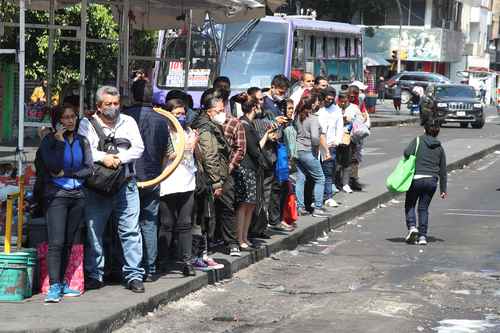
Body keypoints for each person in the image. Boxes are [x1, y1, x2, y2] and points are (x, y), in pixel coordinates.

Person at [79, 86, 146, 293]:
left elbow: (138, 148)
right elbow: (85, 148)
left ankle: (134, 275)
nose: (113, 107)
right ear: (99, 106)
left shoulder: (129, 122)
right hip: (97, 187)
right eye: (108, 104)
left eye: (116, 103)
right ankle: (94, 274)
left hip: (126, 184)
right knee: (94, 232)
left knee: (130, 231)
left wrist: (118, 159)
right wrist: (104, 158)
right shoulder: (86, 124)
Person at [39, 104, 93, 303]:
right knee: (56, 242)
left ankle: (61, 282)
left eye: (72, 117)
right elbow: (53, 166)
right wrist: (60, 142)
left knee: (69, 242)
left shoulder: (82, 141)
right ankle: (53, 286)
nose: (70, 121)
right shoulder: (49, 142)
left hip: (77, 195)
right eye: (65, 118)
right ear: (58, 121)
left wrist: (69, 174)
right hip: (57, 196)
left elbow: (89, 169)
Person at [122, 79, 171, 282]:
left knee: (128, 225)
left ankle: (131, 268)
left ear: (132, 96)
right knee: (149, 223)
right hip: (153, 178)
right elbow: (170, 153)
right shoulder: (162, 120)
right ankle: (149, 268)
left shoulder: (124, 118)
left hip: (128, 177)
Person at [191, 88, 241, 257]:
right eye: (219, 111)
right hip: (214, 175)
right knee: (211, 212)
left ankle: (223, 242)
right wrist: (217, 182)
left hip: (220, 172)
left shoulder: (211, 124)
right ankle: (207, 248)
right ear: (209, 111)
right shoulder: (205, 127)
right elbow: (210, 155)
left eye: (223, 110)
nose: (223, 114)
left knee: (223, 209)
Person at [158, 99, 197, 276]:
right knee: (166, 224)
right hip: (168, 182)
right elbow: (169, 154)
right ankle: (163, 261)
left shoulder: (188, 131)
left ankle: (187, 262)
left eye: (182, 114)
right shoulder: (165, 131)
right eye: (177, 114)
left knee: (186, 224)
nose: (180, 117)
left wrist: (193, 145)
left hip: (187, 181)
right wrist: (186, 146)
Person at [232, 93, 269, 250]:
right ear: (254, 107)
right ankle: (240, 238)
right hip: (246, 167)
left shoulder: (247, 124)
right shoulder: (244, 125)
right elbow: (254, 149)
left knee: (250, 204)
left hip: (251, 167)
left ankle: (244, 237)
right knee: (244, 204)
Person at [403, 119, 447, 245]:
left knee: (410, 204)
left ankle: (412, 227)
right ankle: (423, 236)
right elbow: (443, 170)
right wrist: (443, 190)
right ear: (438, 132)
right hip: (431, 181)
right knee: (423, 208)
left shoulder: (417, 141)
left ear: (425, 129)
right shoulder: (439, 148)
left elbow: (406, 153)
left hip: (416, 179)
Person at [294, 94, 329, 218]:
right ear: (313, 104)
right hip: (308, 150)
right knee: (320, 178)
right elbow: (315, 137)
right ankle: (318, 207)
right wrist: (317, 146)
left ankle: (300, 206)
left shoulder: (297, 115)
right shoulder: (313, 118)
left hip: (298, 150)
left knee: (301, 178)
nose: (318, 103)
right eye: (317, 101)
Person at [318, 87, 343, 207]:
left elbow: (340, 126)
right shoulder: (318, 109)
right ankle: (316, 197)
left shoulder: (336, 109)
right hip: (317, 146)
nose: (330, 101)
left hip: (331, 145)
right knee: (317, 173)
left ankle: (328, 196)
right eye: (328, 99)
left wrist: (337, 141)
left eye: (332, 99)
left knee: (328, 172)